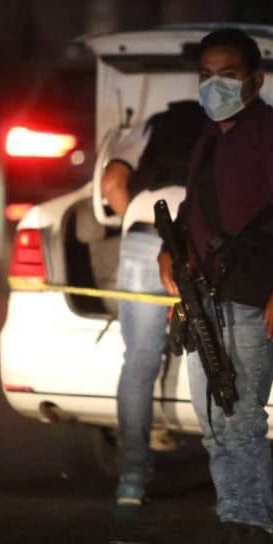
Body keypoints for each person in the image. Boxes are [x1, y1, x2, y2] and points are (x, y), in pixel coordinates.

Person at [158, 27, 273, 544]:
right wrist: (170, 249)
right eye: (206, 75)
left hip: (252, 296)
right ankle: (234, 538)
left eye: (227, 74)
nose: (215, 85)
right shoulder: (209, 139)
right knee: (214, 426)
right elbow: (192, 210)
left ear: (256, 79)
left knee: (242, 421)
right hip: (203, 297)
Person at [101, 100, 205, 506]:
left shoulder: (150, 125)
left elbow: (112, 182)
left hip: (142, 232)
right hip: (197, 238)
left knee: (139, 362)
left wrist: (134, 220)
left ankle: (131, 480)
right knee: (209, 357)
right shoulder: (231, 128)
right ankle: (228, 476)